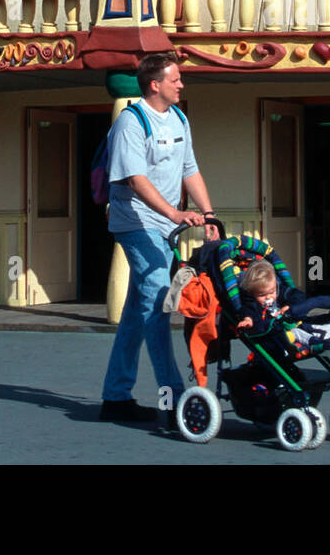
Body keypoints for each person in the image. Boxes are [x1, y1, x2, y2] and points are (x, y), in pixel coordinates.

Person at [99, 51, 219, 423]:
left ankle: (115, 397)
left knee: (138, 312)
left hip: (166, 226)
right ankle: (174, 397)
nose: (181, 83)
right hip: (135, 224)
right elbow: (135, 180)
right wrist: (174, 213)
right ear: (155, 85)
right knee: (157, 306)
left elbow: (190, 169)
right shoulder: (131, 124)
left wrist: (209, 213)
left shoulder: (179, 117)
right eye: (175, 78)